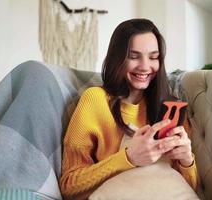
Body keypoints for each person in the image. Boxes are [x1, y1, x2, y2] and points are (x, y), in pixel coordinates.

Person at [59, 18, 198, 199]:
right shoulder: (95, 100)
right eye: (134, 56)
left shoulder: (172, 108)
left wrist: (187, 161)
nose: (145, 66)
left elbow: (190, 189)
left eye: (153, 57)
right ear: (117, 59)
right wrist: (128, 158)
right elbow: (69, 186)